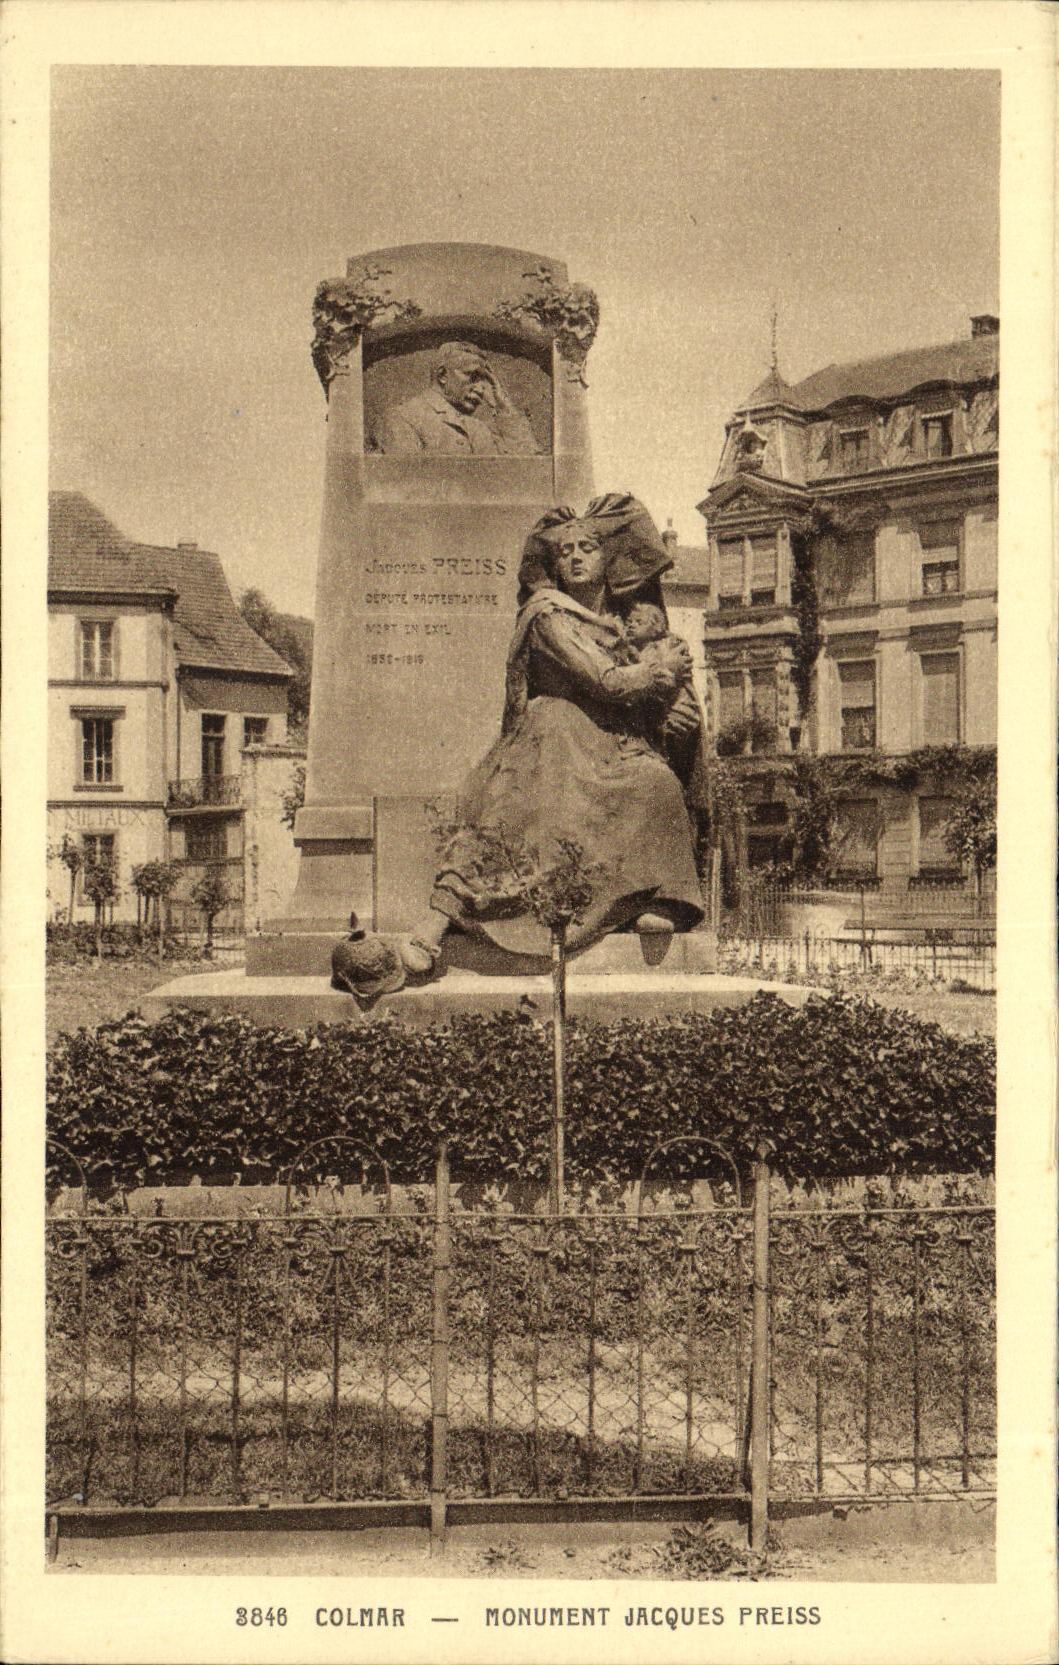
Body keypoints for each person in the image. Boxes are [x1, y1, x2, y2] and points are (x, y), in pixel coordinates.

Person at [394, 493, 706, 973]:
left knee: (657, 783)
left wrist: (668, 706)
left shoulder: (623, 624)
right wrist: (656, 669)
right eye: (565, 552)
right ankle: (441, 917)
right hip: (554, 733)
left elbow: (643, 697)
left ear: (609, 560)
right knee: (521, 800)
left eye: (587, 548)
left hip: (609, 742)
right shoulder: (546, 616)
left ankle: (648, 902)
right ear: (554, 565)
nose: (577, 558)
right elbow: (604, 679)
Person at [378, 341, 541, 456]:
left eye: (484, 380)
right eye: (472, 376)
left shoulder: (479, 429)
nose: (481, 388)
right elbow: (408, 486)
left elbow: (529, 473)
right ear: (443, 375)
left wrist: (503, 407)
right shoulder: (402, 417)